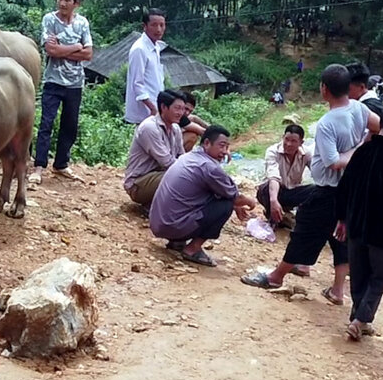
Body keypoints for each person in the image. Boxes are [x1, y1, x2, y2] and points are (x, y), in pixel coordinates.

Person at [241, 64, 379, 304]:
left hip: (330, 190)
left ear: (324, 89)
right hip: (352, 189)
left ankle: (275, 277)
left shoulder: (327, 122)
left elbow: (333, 162)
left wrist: (358, 149)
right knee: (340, 236)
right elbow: (380, 126)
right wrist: (365, 144)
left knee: (304, 231)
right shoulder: (359, 108)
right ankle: (336, 289)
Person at [334, 104, 383, 341]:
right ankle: (361, 320)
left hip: (356, 227)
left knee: (359, 274)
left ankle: (358, 319)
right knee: (380, 277)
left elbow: (344, 187)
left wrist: (342, 219)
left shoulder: (363, 152)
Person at [149, 125, 255, 265]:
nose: (224, 152)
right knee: (225, 205)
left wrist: (235, 202)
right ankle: (193, 249)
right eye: (221, 146)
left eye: (227, 147)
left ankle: (177, 242)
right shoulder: (208, 166)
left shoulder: (188, 156)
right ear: (206, 143)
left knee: (221, 199)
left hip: (158, 223)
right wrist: (251, 202)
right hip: (172, 225)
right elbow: (236, 197)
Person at [32, 0, 93, 185]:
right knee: (46, 124)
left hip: (75, 83)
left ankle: (61, 164)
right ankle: (38, 166)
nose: (62, 3)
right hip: (53, 80)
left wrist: (65, 48)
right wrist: (76, 46)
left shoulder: (82, 23)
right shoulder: (49, 20)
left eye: (67, 0)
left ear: (76, 3)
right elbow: (52, 51)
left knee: (70, 126)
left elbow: (89, 54)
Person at [124, 88, 188, 209]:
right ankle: (158, 208)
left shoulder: (175, 129)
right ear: (164, 107)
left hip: (158, 175)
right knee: (179, 177)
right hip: (138, 183)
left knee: (184, 176)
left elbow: (181, 156)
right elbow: (167, 162)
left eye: (183, 109)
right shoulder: (150, 127)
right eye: (177, 108)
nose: (181, 113)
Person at [256, 122, 314, 228]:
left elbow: (317, 172)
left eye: (293, 141)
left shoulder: (307, 153)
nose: (288, 144)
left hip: (292, 192)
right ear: (283, 137)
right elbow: (274, 176)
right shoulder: (273, 151)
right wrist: (273, 200)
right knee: (267, 186)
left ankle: (301, 217)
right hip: (272, 192)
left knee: (317, 190)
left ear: (301, 142)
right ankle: (274, 216)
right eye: (286, 139)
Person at [124, 9, 167, 125]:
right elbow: (137, 83)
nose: (158, 29)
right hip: (146, 111)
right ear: (145, 26)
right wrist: (152, 108)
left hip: (157, 105)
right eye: (154, 25)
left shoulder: (156, 46)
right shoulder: (139, 49)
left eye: (162, 25)